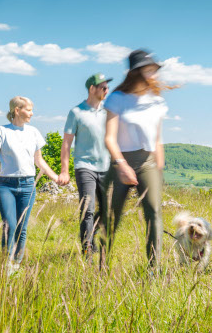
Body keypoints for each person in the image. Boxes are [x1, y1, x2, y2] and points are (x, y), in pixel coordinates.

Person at [100, 49, 170, 269]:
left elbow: (157, 138)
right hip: (121, 162)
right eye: (149, 70)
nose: (154, 75)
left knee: (154, 213)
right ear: (136, 72)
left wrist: (159, 168)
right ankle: (102, 265)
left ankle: (154, 269)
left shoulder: (157, 102)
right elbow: (109, 138)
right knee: (112, 217)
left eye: (155, 70)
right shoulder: (117, 99)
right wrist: (121, 165)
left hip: (148, 161)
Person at [0, 96, 59, 275]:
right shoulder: (0, 131)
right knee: (10, 224)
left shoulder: (33, 132)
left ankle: (16, 265)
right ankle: (6, 265)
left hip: (28, 185)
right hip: (5, 185)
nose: (32, 113)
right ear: (17, 110)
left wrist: (55, 177)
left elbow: (38, 160)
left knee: (22, 228)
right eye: (28, 109)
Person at [59, 73, 113, 258]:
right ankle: (87, 251)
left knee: (108, 210)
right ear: (92, 89)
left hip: (106, 167)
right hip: (84, 166)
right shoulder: (76, 112)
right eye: (103, 87)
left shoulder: (109, 112)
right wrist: (64, 170)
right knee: (87, 209)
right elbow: (66, 143)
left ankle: (92, 234)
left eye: (107, 87)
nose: (107, 90)